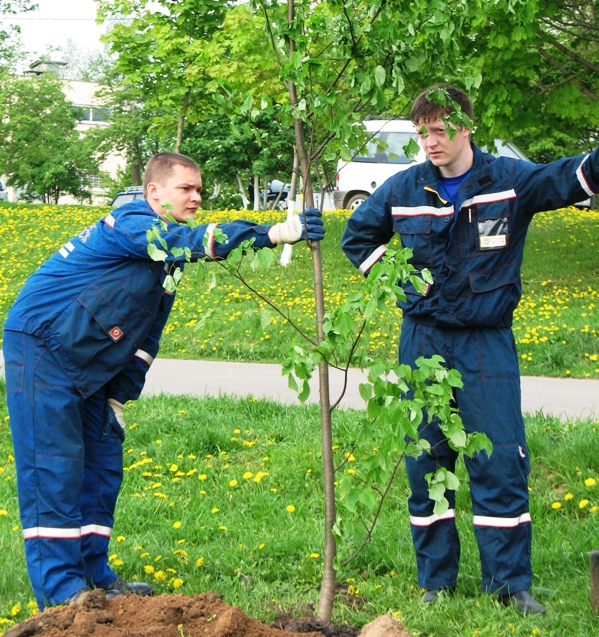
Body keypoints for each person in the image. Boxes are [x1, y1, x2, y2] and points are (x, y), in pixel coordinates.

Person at [3, 151, 325, 610]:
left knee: (102, 463)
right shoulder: (134, 223)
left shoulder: (166, 258)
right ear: (155, 192)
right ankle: (62, 593)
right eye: (185, 189)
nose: (196, 197)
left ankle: (94, 578)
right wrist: (269, 234)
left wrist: (119, 397)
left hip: (88, 357)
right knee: (54, 466)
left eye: (199, 190)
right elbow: (191, 240)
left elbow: (145, 336)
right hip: (41, 346)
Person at [341, 84, 599, 615]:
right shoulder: (404, 187)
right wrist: (406, 288)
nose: (430, 141)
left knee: (499, 458)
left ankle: (509, 585)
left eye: (440, 130)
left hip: (487, 343)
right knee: (426, 459)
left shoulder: (508, 181)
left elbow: (572, 175)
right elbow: (357, 239)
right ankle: (436, 581)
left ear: (466, 127)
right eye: (423, 132)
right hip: (423, 340)